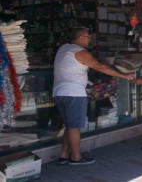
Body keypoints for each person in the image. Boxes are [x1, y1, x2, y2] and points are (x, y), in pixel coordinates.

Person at [53, 28, 134, 165]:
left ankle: (64, 155)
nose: (90, 39)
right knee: (74, 127)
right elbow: (99, 67)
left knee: (69, 125)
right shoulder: (80, 52)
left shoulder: (63, 49)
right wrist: (123, 75)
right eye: (87, 37)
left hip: (59, 92)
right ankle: (76, 157)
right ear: (80, 38)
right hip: (74, 93)